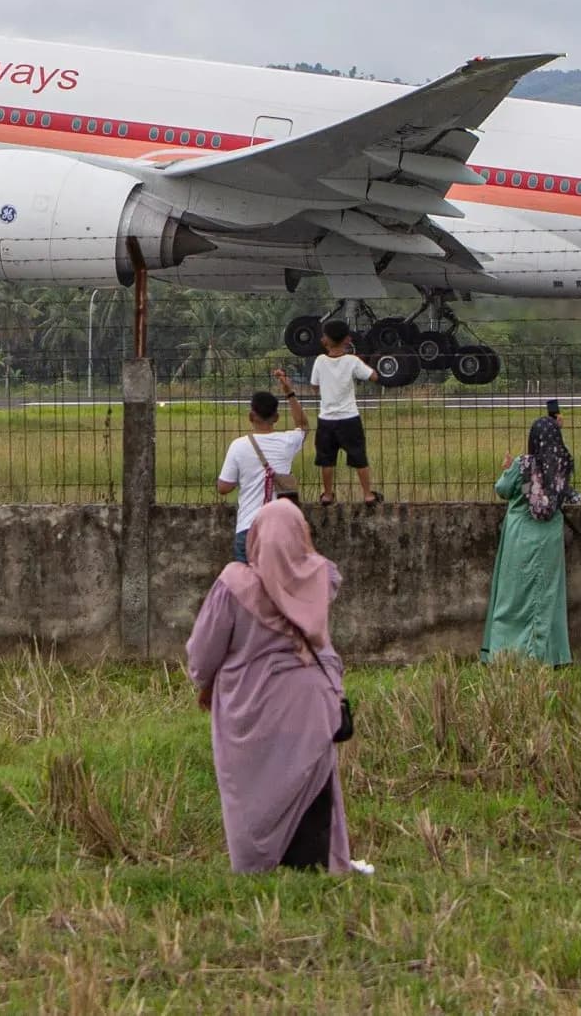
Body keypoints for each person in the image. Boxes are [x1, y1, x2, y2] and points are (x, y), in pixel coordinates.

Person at [185, 499, 356, 873]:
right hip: (312, 704)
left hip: (252, 704)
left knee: (254, 790)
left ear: (256, 537)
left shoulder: (233, 585)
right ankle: (314, 864)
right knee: (311, 783)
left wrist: (203, 684)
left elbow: (202, 652)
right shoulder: (320, 575)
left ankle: (258, 862)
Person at [481, 401, 576, 664]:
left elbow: (502, 489)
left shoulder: (523, 464)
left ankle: (506, 653)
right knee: (547, 596)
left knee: (512, 597)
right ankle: (548, 654)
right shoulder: (563, 464)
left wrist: (506, 467)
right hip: (549, 536)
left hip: (520, 534)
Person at [215, 368, 311, 563]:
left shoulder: (238, 446)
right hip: (280, 529)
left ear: (251, 416)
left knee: (249, 587)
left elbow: (224, 488)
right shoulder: (287, 442)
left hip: (249, 528)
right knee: (278, 588)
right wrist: (289, 391)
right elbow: (303, 425)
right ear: (276, 418)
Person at [309, 320, 383, 507]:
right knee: (359, 456)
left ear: (325, 340)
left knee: (326, 459)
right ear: (347, 340)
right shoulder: (352, 361)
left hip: (326, 418)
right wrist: (368, 363)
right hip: (349, 417)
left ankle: (327, 494)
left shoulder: (319, 361)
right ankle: (367, 494)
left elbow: (314, 386)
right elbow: (373, 376)